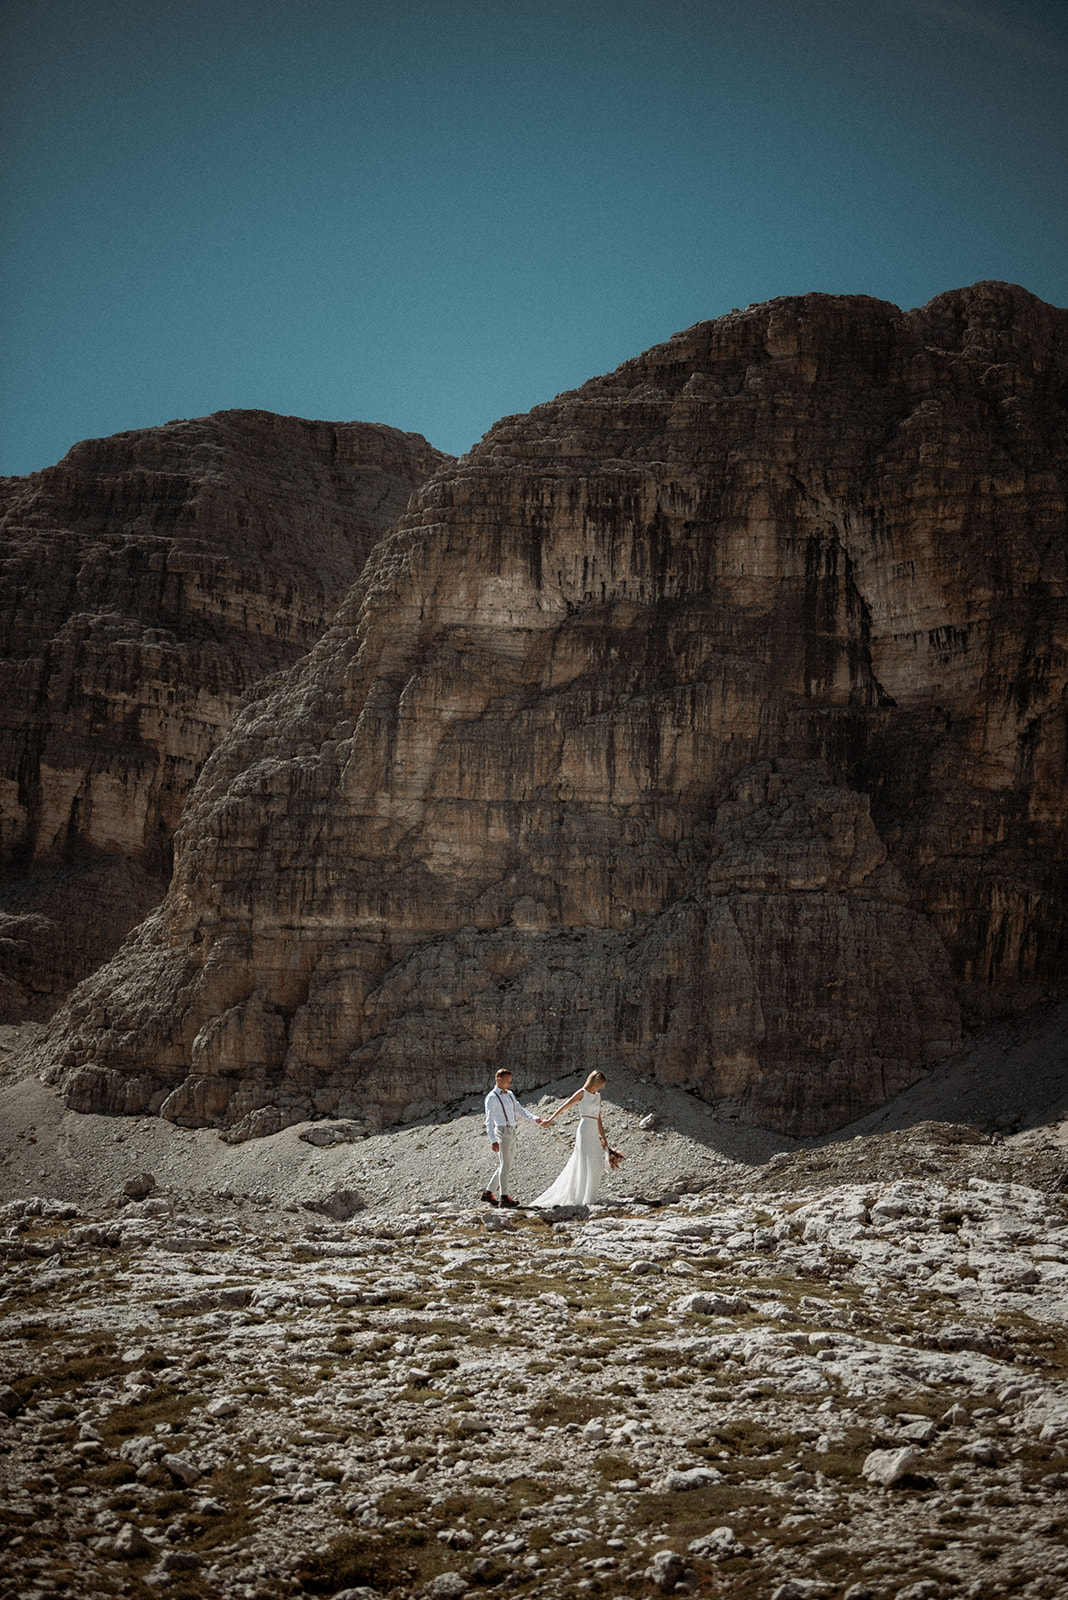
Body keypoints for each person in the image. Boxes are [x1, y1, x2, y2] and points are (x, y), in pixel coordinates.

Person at [529, 1070, 609, 1208]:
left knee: (597, 1162)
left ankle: (590, 1196)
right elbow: (566, 1105)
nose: (600, 1087)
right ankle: (581, 1198)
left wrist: (603, 1137)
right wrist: (550, 1119)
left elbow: (599, 1118)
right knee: (583, 1161)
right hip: (584, 1130)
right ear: (595, 1081)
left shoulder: (598, 1097)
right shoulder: (582, 1092)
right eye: (599, 1084)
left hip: (593, 1129)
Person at [482, 1067, 546, 1207]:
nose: (509, 1084)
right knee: (505, 1164)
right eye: (507, 1081)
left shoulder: (510, 1094)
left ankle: (488, 1192)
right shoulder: (491, 1097)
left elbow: (520, 1110)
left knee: (506, 1164)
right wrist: (493, 1140)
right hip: (501, 1131)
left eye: (510, 1081)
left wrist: (535, 1119)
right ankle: (503, 1197)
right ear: (499, 1080)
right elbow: (488, 1120)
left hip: (512, 1131)